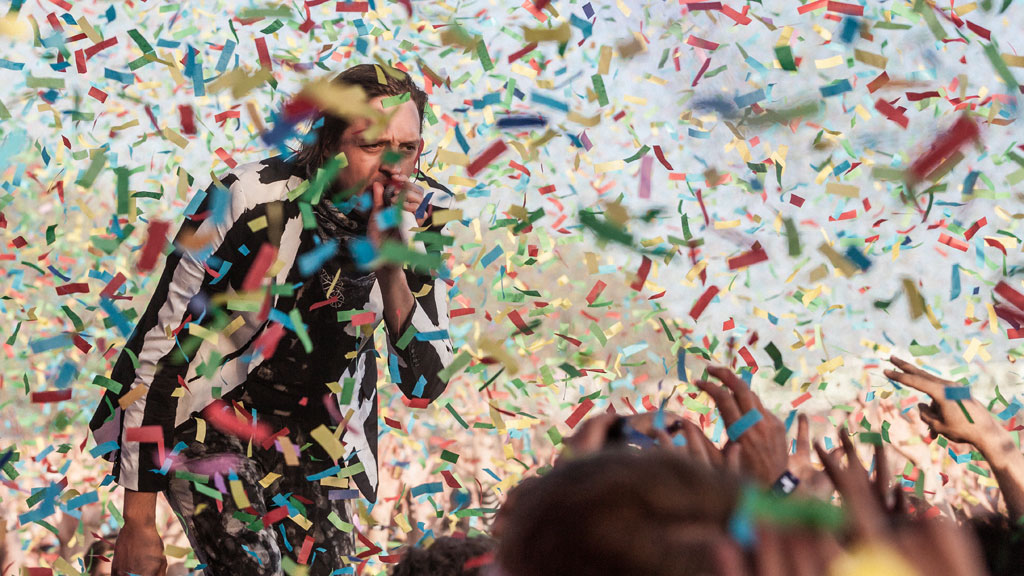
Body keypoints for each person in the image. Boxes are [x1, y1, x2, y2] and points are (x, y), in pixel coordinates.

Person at [88, 63, 454, 576]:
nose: (394, 166)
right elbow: (158, 344)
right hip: (211, 410)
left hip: (319, 434)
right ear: (329, 144)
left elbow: (425, 380)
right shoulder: (245, 196)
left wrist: (394, 261)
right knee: (253, 568)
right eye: (372, 144)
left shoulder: (423, 215)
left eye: (408, 147)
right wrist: (139, 523)